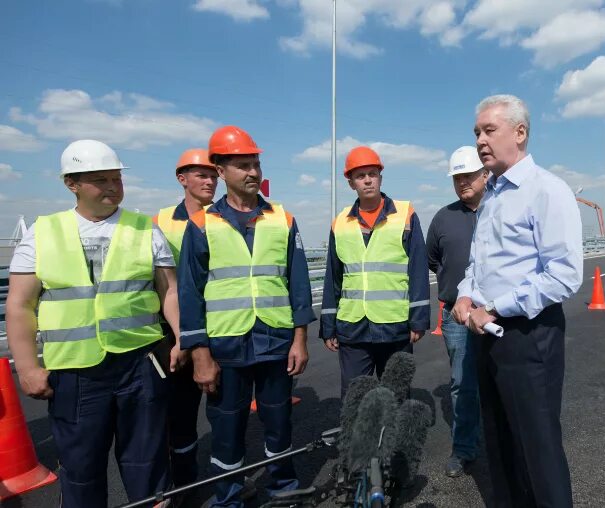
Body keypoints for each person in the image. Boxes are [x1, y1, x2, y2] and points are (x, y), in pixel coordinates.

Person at [6, 140, 181, 508]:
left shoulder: (144, 229)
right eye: (101, 180)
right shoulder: (44, 232)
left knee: (147, 463)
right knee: (80, 468)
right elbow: (21, 305)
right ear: (72, 183)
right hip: (74, 370)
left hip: (140, 363)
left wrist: (180, 339)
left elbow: (169, 292)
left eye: (116, 178)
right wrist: (27, 367)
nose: (113, 187)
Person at [453, 95, 583, 508]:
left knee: (538, 447)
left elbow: (564, 274)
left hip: (529, 335)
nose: (480, 141)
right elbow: (479, 262)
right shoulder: (491, 195)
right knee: (501, 442)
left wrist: (495, 307)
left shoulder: (546, 190)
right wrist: (465, 293)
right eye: (477, 132)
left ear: (520, 133)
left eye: (489, 130)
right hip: (486, 334)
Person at [178, 125, 314, 507]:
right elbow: (190, 292)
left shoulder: (283, 220)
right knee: (226, 430)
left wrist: (300, 340)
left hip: (275, 341)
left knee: (279, 423)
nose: (253, 172)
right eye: (242, 165)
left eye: (255, 163)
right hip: (225, 346)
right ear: (221, 172)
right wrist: (200, 355)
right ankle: (230, 497)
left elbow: (298, 284)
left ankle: (283, 489)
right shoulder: (202, 224)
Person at [320, 146, 430, 397]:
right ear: (351, 183)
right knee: (354, 397)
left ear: (380, 176)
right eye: (360, 176)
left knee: (396, 395)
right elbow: (333, 278)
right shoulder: (340, 223)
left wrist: (418, 319)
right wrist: (329, 325)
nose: (367, 180)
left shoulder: (405, 215)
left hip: (395, 325)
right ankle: (358, 438)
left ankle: (396, 437)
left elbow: (418, 270)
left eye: (372, 173)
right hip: (353, 327)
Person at [153, 148, 218, 488]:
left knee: (223, 413)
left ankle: (226, 479)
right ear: (182, 179)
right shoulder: (160, 222)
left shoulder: (224, 218)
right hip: (176, 330)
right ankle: (182, 483)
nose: (210, 181)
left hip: (220, 325)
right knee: (178, 415)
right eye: (201, 175)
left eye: (213, 175)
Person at [426, 146, 488, 478]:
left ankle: (504, 443)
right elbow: (433, 259)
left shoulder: (500, 209)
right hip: (456, 316)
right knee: (462, 383)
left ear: (485, 174)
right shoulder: (443, 218)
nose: (462, 182)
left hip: (498, 314)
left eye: (468, 175)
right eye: (457, 177)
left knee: (503, 380)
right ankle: (464, 448)